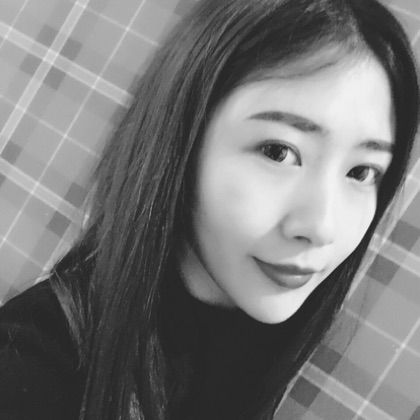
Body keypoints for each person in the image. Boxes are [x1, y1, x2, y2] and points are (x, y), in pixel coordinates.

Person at [0, 0, 418, 419]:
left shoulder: (246, 343)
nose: (322, 227)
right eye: (277, 151)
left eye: (361, 172)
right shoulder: (30, 366)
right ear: (181, 140)